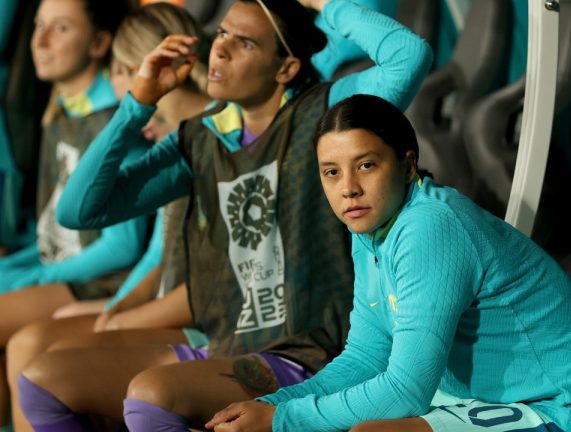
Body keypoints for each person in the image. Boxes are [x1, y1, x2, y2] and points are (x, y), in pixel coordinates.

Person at [18, 0, 432, 431]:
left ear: (286, 68)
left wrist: (324, 3)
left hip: (306, 353)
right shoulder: (201, 135)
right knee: (41, 381)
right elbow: (80, 210)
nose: (222, 50)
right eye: (221, 35)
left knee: (152, 396)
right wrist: (138, 101)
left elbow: (409, 56)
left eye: (245, 42)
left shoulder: (322, 115)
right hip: (226, 343)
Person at [206, 94, 571, 432]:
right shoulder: (369, 227)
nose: (348, 188)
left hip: (558, 405)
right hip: (482, 400)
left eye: (366, 165)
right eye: (331, 172)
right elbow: (366, 356)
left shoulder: (430, 226)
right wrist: (271, 405)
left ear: (407, 166)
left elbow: (406, 390)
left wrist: (282, 421)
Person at [5, 3, 212, 431]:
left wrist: (118, 314)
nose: (123, 87)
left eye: (125, 71)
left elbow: (132, 250)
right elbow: (154, 255)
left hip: (190, 317)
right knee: (33, 355)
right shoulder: (173, 141)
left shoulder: (199, 137)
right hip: (152, 301)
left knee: (34, 355)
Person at [0, 0, 140, 428]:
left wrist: (32, 278)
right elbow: (51, 236)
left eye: (59, 28)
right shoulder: (60, 108)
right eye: (38, 25)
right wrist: (14, 268)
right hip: (61, 271)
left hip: (95, 281)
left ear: (100, 43)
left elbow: (124, 246)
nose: (38, 41)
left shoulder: (113, 120)